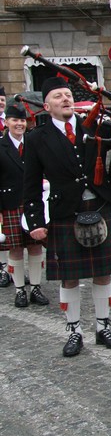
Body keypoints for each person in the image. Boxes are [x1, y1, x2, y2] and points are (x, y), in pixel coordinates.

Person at [23, 76, 111, 357]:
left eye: (68, 95)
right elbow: (30, 184)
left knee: (103, 274)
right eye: (58, 96)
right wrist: (35, 223)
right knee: (69, 279)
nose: (65, 99)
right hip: (65, 213)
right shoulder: (36, 139)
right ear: (46, 105)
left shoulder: (95, 126)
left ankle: (104, 327)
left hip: (102, 208)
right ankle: (74, 331)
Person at [0, 103, 47, 307]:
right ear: (6, 122)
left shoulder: (33, 142)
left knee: (35, 247)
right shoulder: (0, 146)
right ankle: (20, 290)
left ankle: (36, 287)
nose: (19, 124)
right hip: (10, 204)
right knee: (16, 249)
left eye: (22, 120)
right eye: (15, 120)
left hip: (33, 203)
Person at [0, 86, 9, 288]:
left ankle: (11, 269)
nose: (1, 102)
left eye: (2, 99)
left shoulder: (9, 120)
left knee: (8, 234)